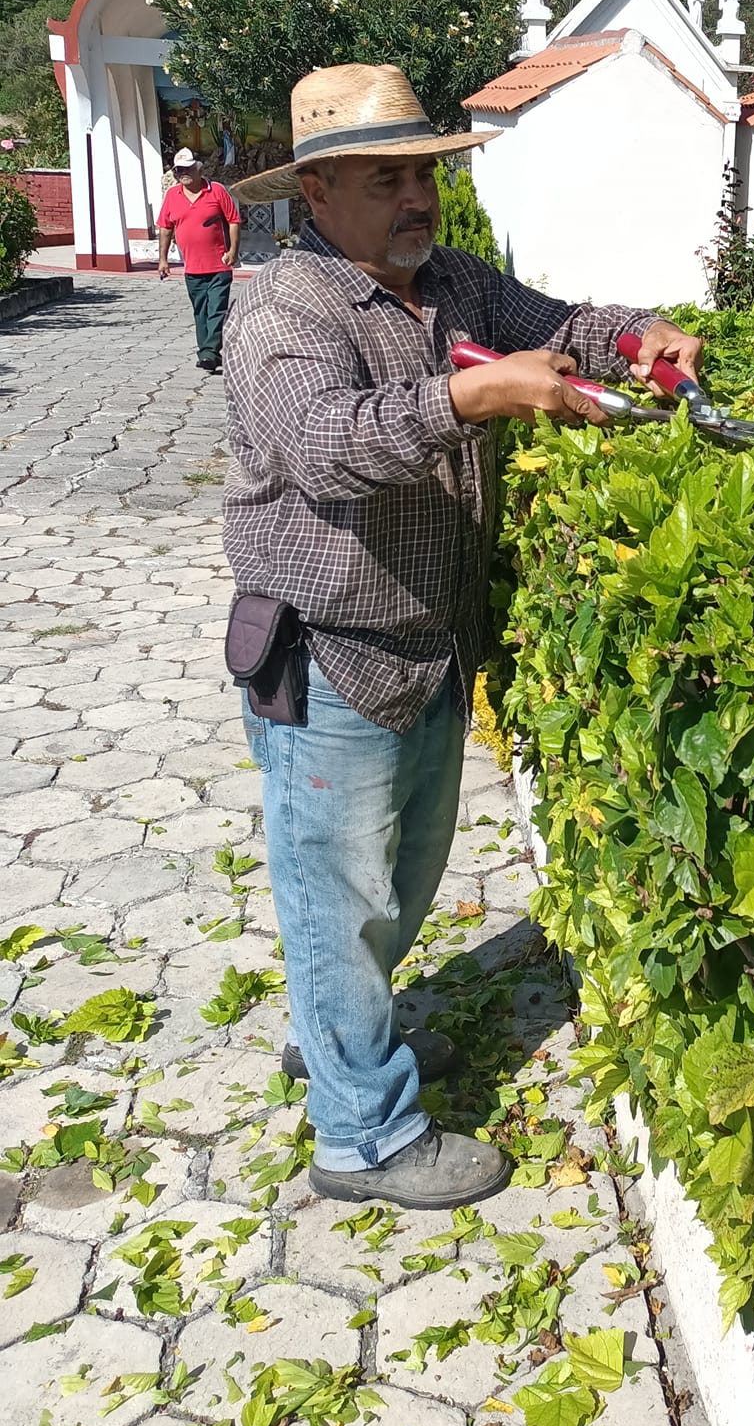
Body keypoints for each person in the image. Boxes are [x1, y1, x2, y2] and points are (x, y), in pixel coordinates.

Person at [222, 63, 703, 1210]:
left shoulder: (449, 284)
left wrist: (641, 331)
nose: (414, 199)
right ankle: (364, 1136)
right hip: (331, 649)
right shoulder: (281, 308)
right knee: (338, 893)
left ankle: (341, 1041)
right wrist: (470, 400)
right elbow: (324, 443)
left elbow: (562, 325)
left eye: (423, 175)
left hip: (432, 640)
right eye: (385, 178)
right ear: (320, 191)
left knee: (395, 881)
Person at [157, 148, 241, 372]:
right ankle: (207, 351)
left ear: (198, 168)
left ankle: (209, 353)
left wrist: (233, 251)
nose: (183, 173)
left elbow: (233, 220)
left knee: (217, 309)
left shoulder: (216, 191)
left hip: (219, 264)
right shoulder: (173, 196)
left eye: (187, 168)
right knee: (200, 310)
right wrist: (163, 259)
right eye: (179, 170)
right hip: (192, 267)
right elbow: (165, 228)